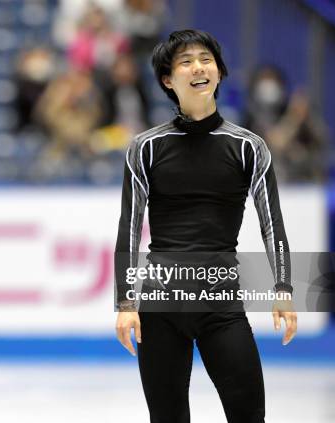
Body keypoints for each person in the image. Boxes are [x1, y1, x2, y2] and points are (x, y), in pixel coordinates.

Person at [114, 30, 297, 423]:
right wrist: (126, 304)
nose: (198, 67)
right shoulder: (146, 148)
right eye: (185, 61)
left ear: (218, 71)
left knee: (248, 415)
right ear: (168, 79)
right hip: (161, 305)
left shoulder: (248, 147)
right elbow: (129, 227)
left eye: (206, 59)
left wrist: (283, 287)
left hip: (221, 304)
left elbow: (272, 224)